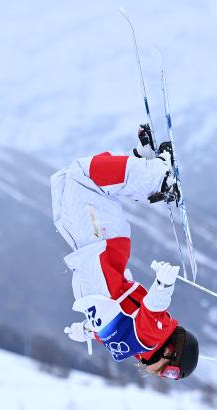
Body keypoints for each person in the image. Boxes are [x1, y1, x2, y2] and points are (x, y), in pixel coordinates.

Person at [50, 124, 199, 380]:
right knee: (83, 177)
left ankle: (143, 164)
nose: (165, 375)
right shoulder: (151, 336)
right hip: (103, 247)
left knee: (70, 185)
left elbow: (103, 328)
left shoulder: (129, 345)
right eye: (172, 372)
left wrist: (84, 330)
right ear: (173, 351)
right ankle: (158, 177)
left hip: (93, 249)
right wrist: (163, 284)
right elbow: (153, 308)